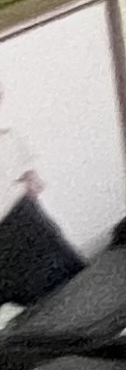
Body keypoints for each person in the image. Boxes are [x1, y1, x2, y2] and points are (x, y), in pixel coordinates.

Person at [0, 105, 78, 308]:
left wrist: (28, 180)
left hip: (31, 224)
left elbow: (34, 183)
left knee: (72, 289)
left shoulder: (10, 139)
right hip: (8, 239)